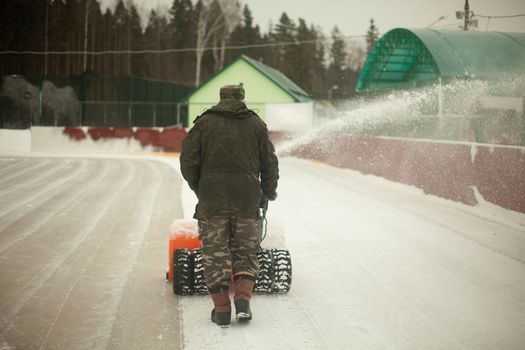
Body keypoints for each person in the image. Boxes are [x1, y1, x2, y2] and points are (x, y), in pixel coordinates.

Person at [180, 85, 279, 327]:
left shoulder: (204, 123)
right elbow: (269, 162)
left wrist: (200, 187)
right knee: (246, 251)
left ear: (221, 98)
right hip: (247, 199)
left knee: (215, 254)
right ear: (242, 98)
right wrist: (268, 191)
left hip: (212, 199)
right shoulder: (256, 124)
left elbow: (187, 160)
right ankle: (243, 303)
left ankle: (222, 311)